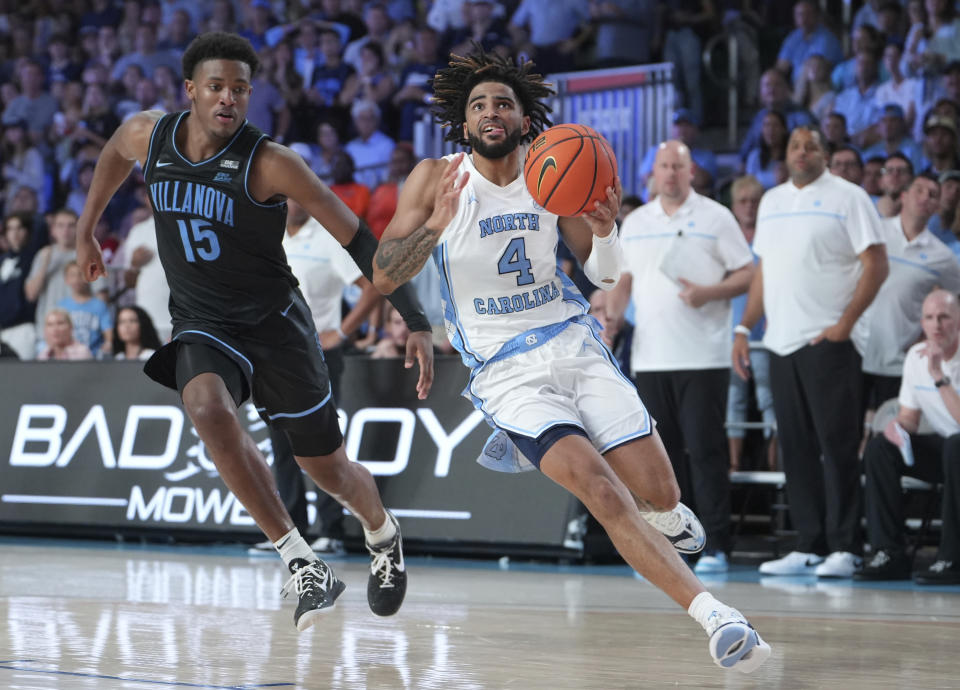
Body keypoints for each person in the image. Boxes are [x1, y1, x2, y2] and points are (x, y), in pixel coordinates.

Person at [371, 47, 771, 673]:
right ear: (464, 119)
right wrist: (434, 227)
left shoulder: (554, 167)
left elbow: (602, 274)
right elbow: (384, 271)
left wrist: (607, 229)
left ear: (526, 116)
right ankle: (716, 617)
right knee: (602, 493)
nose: (491, 111)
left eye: (503, 102)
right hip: (506, 371)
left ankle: (665, 513)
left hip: (574, 343)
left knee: (659, 492)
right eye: (479, 104)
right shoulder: (435, 178)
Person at [75, 32, 435, 631]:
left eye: (239, 90)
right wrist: (89, 226)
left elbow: (358, 239)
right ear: (189, 90)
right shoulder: (149, 135)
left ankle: (382, 531)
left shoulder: (271, 161)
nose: (227, 100)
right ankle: (300, 563)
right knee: (204, 405)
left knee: (330, 470)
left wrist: (414, 318)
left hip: (276, 328)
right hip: (204, 322)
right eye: (215, 87)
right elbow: (114, 152)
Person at [732, 126, 889, 579]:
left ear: (826, 153)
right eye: (795, 146)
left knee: (837, 446)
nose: (802, 152)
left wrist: (845, 325)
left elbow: (876, 264)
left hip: (828, 342)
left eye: (811, 146)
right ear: (785, 154)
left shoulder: (849, 196)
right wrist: (744, 326)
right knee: (796, 447)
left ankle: (845, 545)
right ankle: (808, 543)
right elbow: (763, 271)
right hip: (780, 341)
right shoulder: (773, 201)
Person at [608, 141, 755, 575]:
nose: (671, 173)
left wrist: (710, 293)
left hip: (703, 357)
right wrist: (612, 314)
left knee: (707, 452)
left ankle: (716, 546)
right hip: (651, 358)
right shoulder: (634, 222)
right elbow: (623, 280)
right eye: (664, 166)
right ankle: (667, 549)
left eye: (679, 166)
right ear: (653, 173)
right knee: (658, 460)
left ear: (692, 172)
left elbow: (747, 272)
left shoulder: (716, 216)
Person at [249, 196, 384, 557]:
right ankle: (290, 534)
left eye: (296, 194)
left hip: (317, 354)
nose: (290, 201)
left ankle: (332, 531)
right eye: (283, 194)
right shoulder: (267, 236)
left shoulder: (327, 240)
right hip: (273, 353)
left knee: (324, 444)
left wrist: (341, 332)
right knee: (281, 446)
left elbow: (373, 284)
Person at [856, 288, 960, 584]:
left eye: (944, 317)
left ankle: (951, 558)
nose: (936, 324)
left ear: (958, 321)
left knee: (955, 444)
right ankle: (888, 553)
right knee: (879, 449)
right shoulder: (915, 357)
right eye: (929, 318)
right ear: (922, 323)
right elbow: (909, 419)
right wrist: (895, 428)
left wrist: (939, 375)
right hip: (946, 452)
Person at [861, 173, 960, 435]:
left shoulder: (943, 256)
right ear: (903, 196)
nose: (925, 197)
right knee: (846, 433)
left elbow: (953, 303)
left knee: (888, 435)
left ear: (937, 207)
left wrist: (929, 336)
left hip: (898, 360)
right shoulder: (875, 232)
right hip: (856, 351)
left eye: (933, 194)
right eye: (919, 190)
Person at [726, 175, 777, 473]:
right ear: (733, 206)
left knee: (769, 399)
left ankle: (774, 465)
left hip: (764, 333)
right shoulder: (726, 236)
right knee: (734, 399)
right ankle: (733, 463)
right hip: (730, 331)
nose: (748, 207)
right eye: (743, 201)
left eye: (754, 201)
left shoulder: (771, 236)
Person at [58, 260, 113, 357]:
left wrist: (108, 343)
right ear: (66, 279)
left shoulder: (99, 305)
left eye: (81, 275)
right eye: (72, 275)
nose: (76, 279)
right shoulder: (62, 306)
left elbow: (108, 331)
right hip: (68, 357)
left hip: (94, 357)